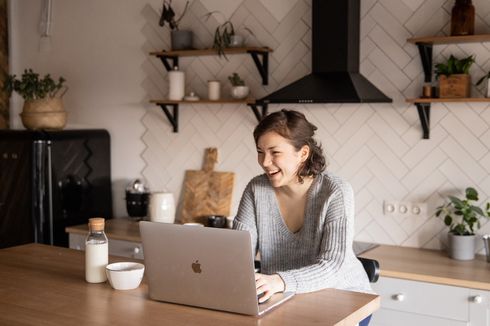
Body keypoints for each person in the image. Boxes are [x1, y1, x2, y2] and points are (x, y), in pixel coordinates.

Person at [233, 109, 373, 325]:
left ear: (303, 153)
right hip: (284, 299)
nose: (265, 162)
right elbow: (238, 255)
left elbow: (332, 267)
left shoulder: (335, 192)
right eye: (260, 151)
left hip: (344, 300)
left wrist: (280, 280)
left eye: (274, 152)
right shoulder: (256, 189)